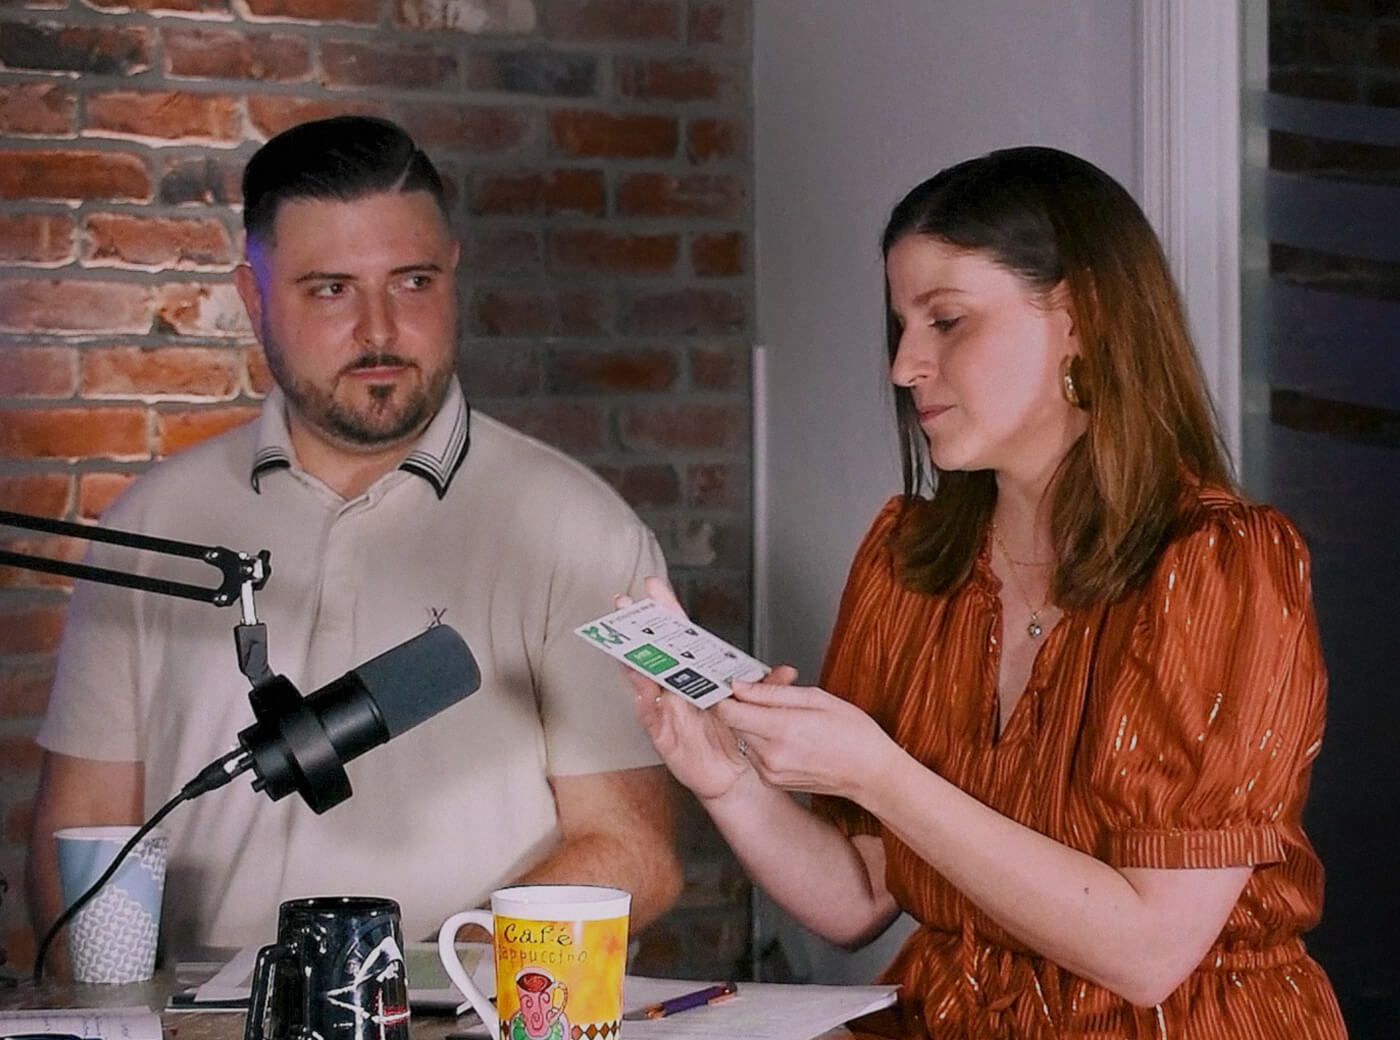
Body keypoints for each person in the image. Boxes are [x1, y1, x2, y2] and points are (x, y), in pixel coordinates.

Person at [623, 147, 1346, 1038]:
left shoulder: (1219, 566)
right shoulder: (911, 560)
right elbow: (859, 894)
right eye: (901, 326)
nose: (904, 366)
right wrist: (725, 779)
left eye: (947, 320)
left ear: (1081, 316)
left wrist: (880, 773)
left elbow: (1149, 952)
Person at [26, 115, 682, 959]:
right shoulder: (152, 527)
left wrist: (410, 992)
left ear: (453, 273)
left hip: (464, 1007)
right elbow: (83, 834)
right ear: (254, 299)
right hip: (202, 1014)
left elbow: (631, 852)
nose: (379, 330)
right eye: (330, 289)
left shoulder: (576, 528)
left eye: (412, 282)